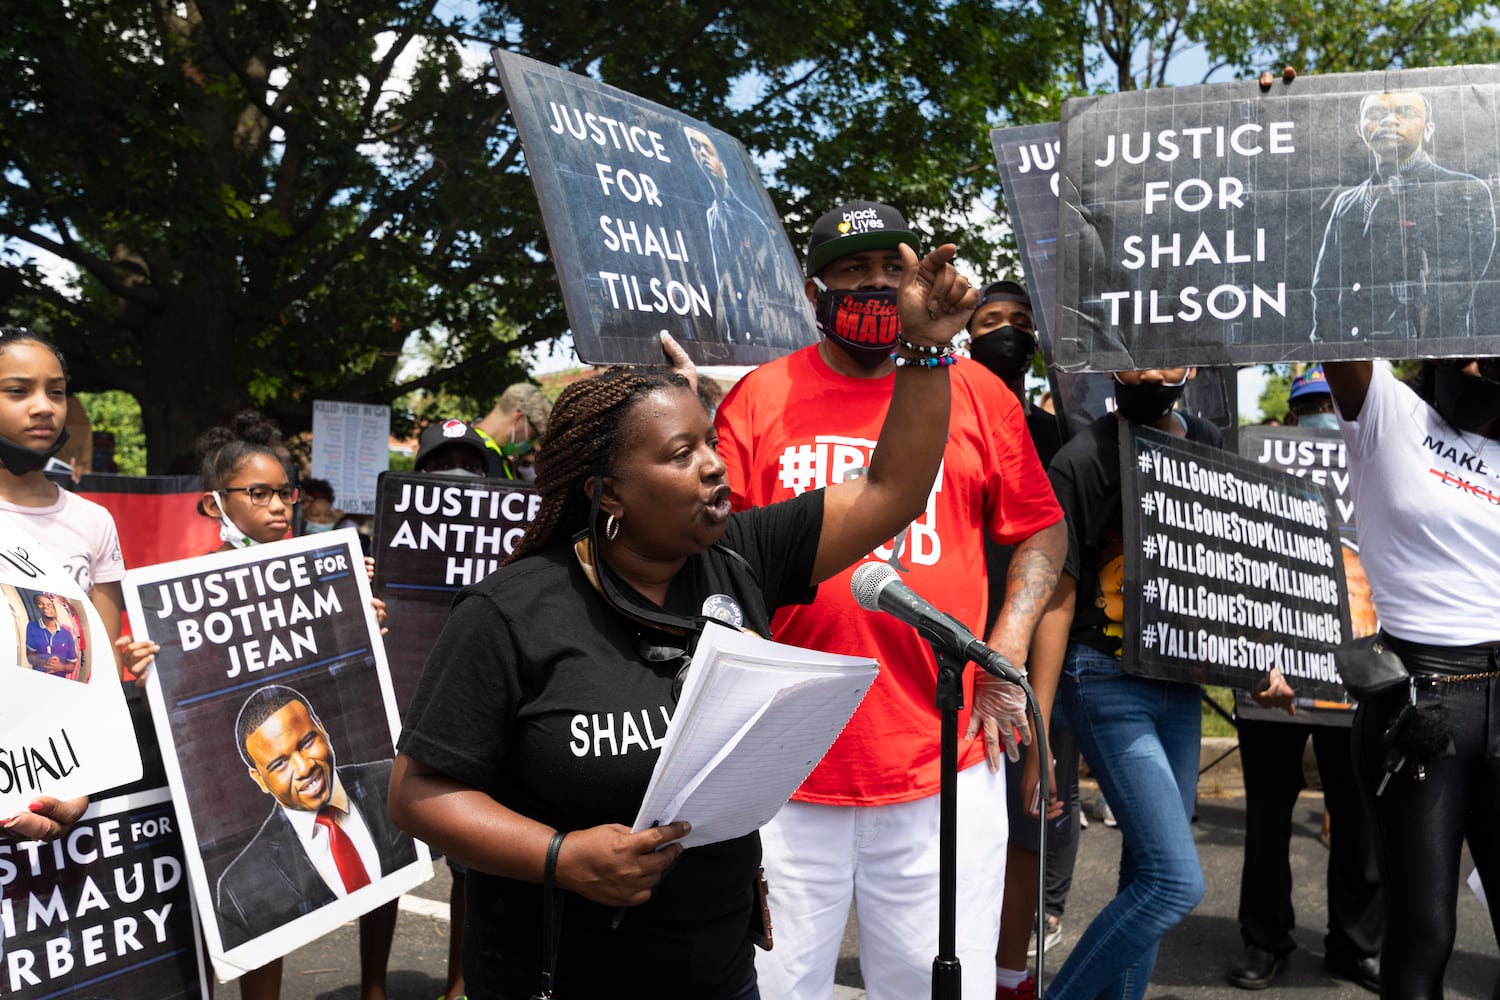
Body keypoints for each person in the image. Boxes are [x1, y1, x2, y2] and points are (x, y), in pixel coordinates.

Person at [389, 238, 980, 998]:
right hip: (561, 977)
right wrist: (560, 856)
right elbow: (417, 793)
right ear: (607, 492)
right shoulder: (511, 613)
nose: (714, 465)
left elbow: (892, 490)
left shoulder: (743, 558)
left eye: (710, 442)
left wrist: (927, 352)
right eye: (680, 454)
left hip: (720, 972)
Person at [714, 201, 1067, 1000]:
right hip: (782, 768)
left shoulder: (979, 392)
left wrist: (1006, 645)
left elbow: (1042, 532)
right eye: (851, 271)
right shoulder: (759, 400)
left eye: (892, 269)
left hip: (941, 759)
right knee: (768, 987)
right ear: (814, 293)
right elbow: (716, 562)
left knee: (939, 987)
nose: (876, 285)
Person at [193, 410, 397, 1000]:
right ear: (216, 504)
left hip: (331, 749)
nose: (280, 506)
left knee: (386, 863)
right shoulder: (189, 584)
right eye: (259, 493)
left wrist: (365, 618)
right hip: (264, 748)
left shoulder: (326, 567)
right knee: (270, 913)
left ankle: (376, 988)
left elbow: (342, 657)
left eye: (286, 492)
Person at [1025, 367, 1214, 999]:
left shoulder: (1208, 440)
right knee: (1174, 882)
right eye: (1135, 356)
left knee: (1146, 872)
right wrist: (1040, 727)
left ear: (1189, 367)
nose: (1150, 374)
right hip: (1103, 679)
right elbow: (1055, 596)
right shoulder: (1081, 461)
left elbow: (1234, 565)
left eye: (1164, 360)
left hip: (1181, 682)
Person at [1321, 356, 1500, 997]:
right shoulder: (1388, 412)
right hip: (1422, 707)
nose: (1478, 365)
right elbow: (1332, 307)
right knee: (1425, 932)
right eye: (1468, 347)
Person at [1225, 365, 1382, 992]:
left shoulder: (1380, 462)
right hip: (1272, 675)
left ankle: (1357, 943)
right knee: (1266, 816)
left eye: (1333, 402)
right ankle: (1264, 940)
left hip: (1358, 675)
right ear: (1291, 419)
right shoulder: (1257, 467)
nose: (1325, 414)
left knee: (1359, 816)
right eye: (1312, 405)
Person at [967, 280, 1078, 1000]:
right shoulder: (939, 419)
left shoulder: (1058, 441)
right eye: (989, 321)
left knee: (1027, 830)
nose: (1006, 331)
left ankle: (1010, 975)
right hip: (942, 667)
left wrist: (1036, 723)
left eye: (1019, 322)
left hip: (1028, 671)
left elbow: (1056, 590)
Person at [0, 326, 152, 844]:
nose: (44, 407)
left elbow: (100, 670)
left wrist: (80, 783)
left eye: (57, 391)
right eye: (18, 391)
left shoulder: (94, 522)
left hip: (58, 777)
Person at [217, 686, 418, 949]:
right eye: (280, 764)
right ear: (259, 779)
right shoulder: (241, 887)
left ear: (322, 729)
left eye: (307, 742)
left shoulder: (392, 783)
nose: (304, 767)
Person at [1310, 91, 1495, 344]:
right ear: (1359, 130)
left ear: (1428, 129)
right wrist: (1327, 347)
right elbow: (1325, 287)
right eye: (1376, 114)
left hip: (1435, 354)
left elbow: (1460, 286)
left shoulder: (1464, 191)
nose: (1389, 121)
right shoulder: (1347, 202)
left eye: (1405, 113)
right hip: (1360, 357)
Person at [683, 125, 804, 351]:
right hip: (727, 337)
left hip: (760, 337)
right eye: (695, 148)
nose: (701, 155)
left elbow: (772, 286)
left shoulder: (751, 221)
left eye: (706, 148)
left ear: (723, 163)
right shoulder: (709, 216)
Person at [473, 383, 552, 479]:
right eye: (532, 437)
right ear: (519, 418)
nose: (529, 445)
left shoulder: (478, 445)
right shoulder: (486, 457)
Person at [24, 591, 81, 679]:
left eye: (49, 605)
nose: (45, 607)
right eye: (40, 603)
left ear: (56, 609)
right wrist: (45, 663)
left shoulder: (67, 634)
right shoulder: (32, 626)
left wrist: (61, 667)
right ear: (36, 607)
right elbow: (30, 656)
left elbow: (72, 665)